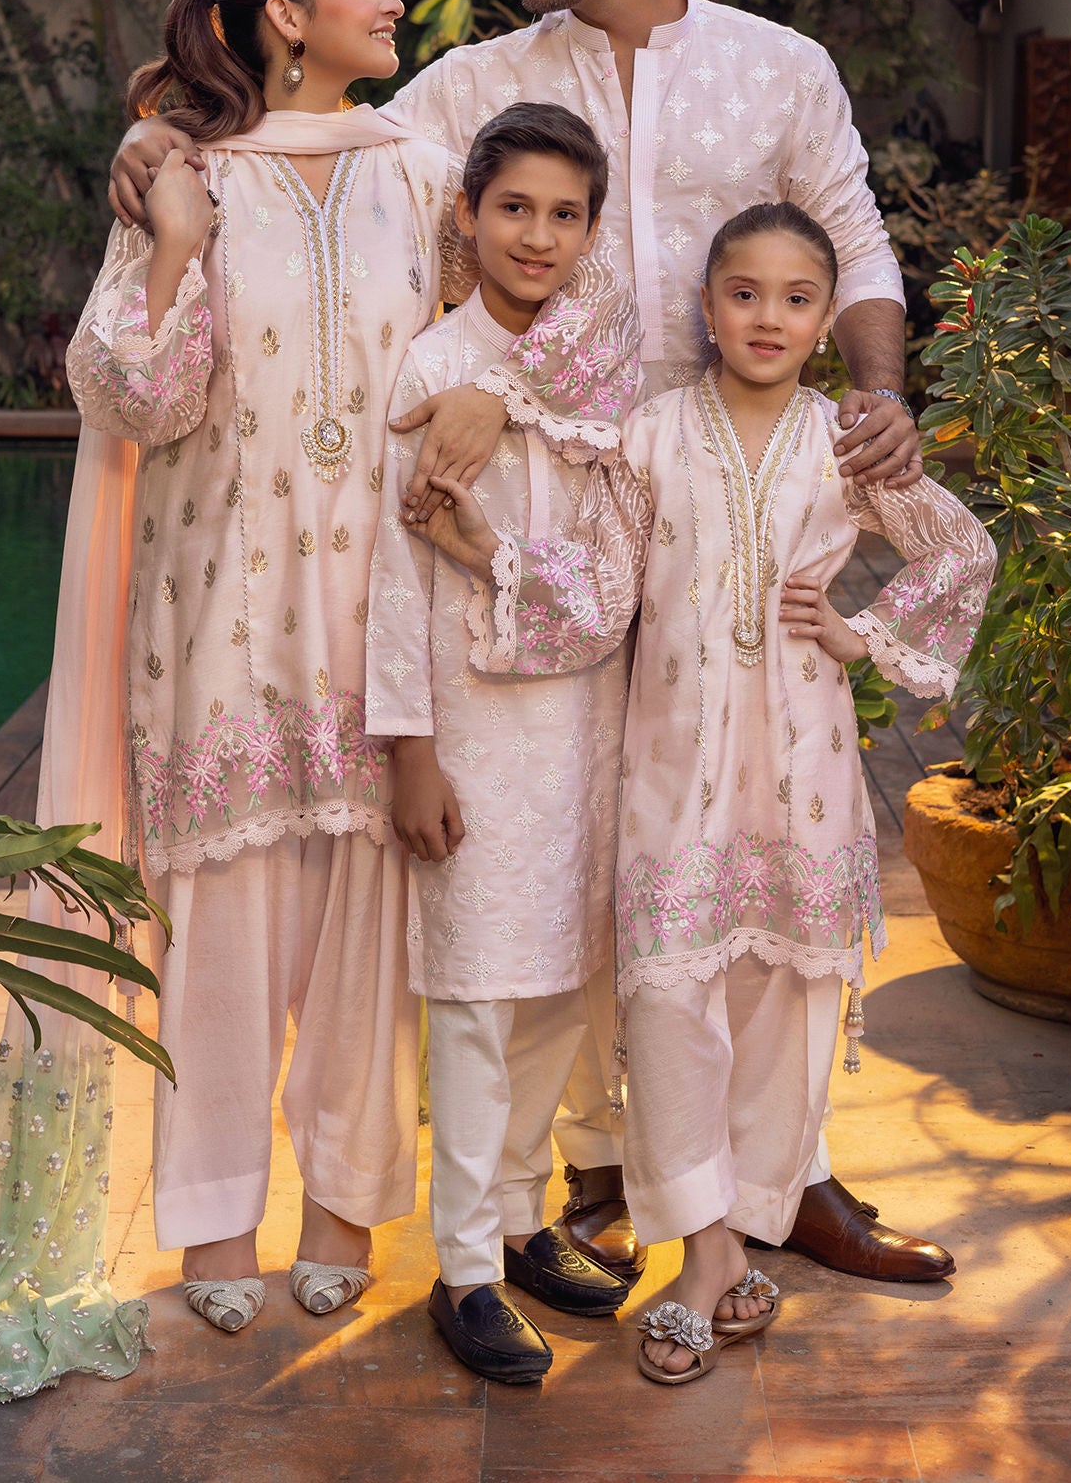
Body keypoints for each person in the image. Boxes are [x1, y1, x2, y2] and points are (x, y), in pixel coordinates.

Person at [107, 0, 951, 1285]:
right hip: (549, 535)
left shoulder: (780, 68)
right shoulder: (472, 87)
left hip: (737, 516)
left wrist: (879, 391)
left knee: (764, 831)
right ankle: (610, 1170)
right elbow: (307, 140)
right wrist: (162, 144)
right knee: (582, 847)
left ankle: (786, 1172)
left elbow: (859, 241)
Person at [0, 0, 638, 1410]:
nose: (393, 2)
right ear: (285, 16)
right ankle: (213, 1221)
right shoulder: (185, 177)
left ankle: (342, 1212)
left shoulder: (420, 172)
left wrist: (504, 398)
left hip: (388, 618)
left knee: (368, 917)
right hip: (222, 614)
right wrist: (171, 241)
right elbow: (132, 398)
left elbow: (575, 307)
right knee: (221, 922)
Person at [414, 201, 996, 1382]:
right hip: (674, 772)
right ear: (708, 307)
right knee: (673, 1011)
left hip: (803, 773)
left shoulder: (847, 443)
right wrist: (489, 555)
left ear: (824, 321)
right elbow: (604, 589)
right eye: (744, 293)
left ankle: (730, 1249)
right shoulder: (652, 434)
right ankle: (707, 1251)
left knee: (786, 1010)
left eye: (796, 298)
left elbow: (960, 550)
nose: (768, 317)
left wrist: (864, 634)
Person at [367, 104, 634, 1383]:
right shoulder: (431, 367)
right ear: (467, 216)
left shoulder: (601, 369)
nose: (538, 235)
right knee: (475, 997)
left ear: (592, 232)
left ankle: (526, 1223)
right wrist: (410, 749)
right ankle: (465, 1267)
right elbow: (394, 576)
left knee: (558, 985)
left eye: (565, 214)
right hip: (470, 727)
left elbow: (623, 549)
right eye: (515, 207)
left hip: (585, 723)